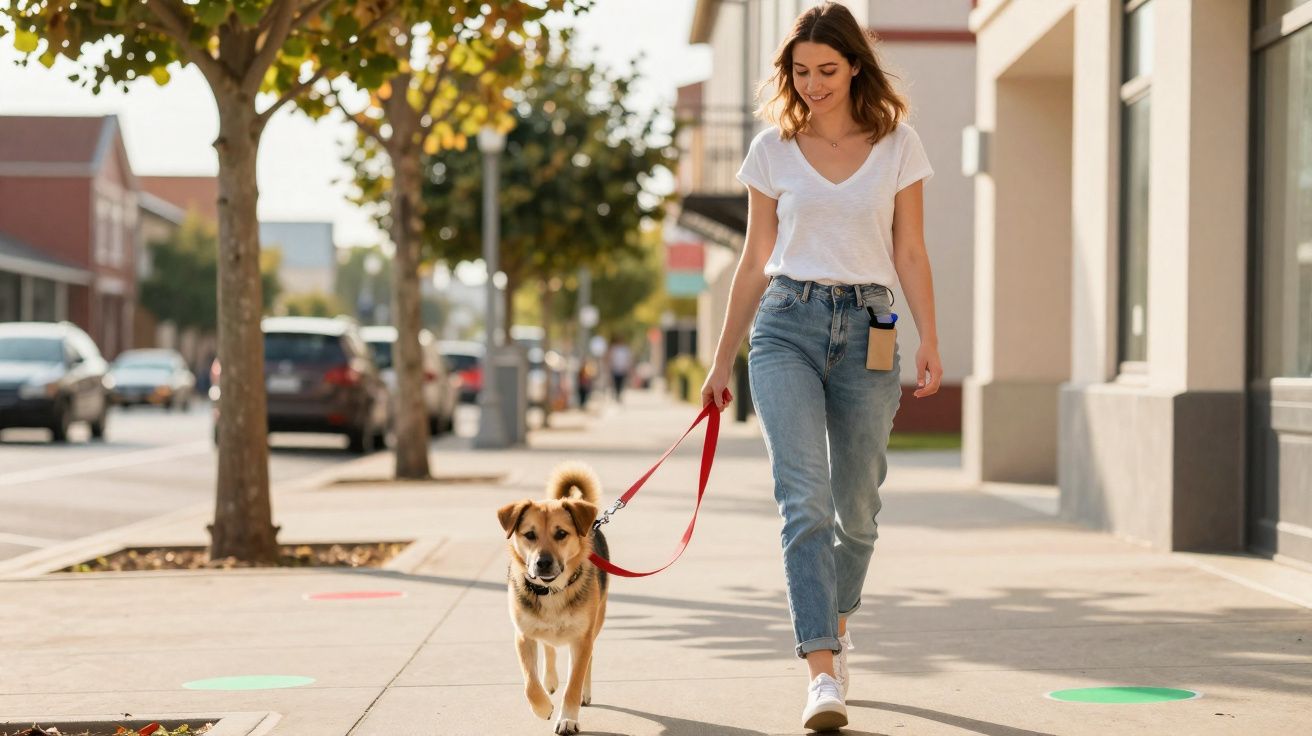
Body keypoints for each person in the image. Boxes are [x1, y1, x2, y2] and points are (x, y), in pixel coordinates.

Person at [699, 3, 942, 731]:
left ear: (856, 65)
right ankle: (821, 672)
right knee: (803, 502)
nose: (813, 84)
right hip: (785, 328)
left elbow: (910, 250)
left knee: (858, 512)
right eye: (801, 72)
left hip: (871, 324)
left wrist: (930, 338)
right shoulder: (771, 150)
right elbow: (753, 258)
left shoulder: (899, 144)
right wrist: (720, 359)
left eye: (827, 70)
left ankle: (837, 621)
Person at [606, 336, 633, 403]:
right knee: (615, 383)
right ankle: (616, 395)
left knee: (621, 383)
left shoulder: (625, 349)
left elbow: (628, 359)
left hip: (622, 369)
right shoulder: (614, 349)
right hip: (615, 369)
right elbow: (610, 358)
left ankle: (619, 395)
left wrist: (628, 367)